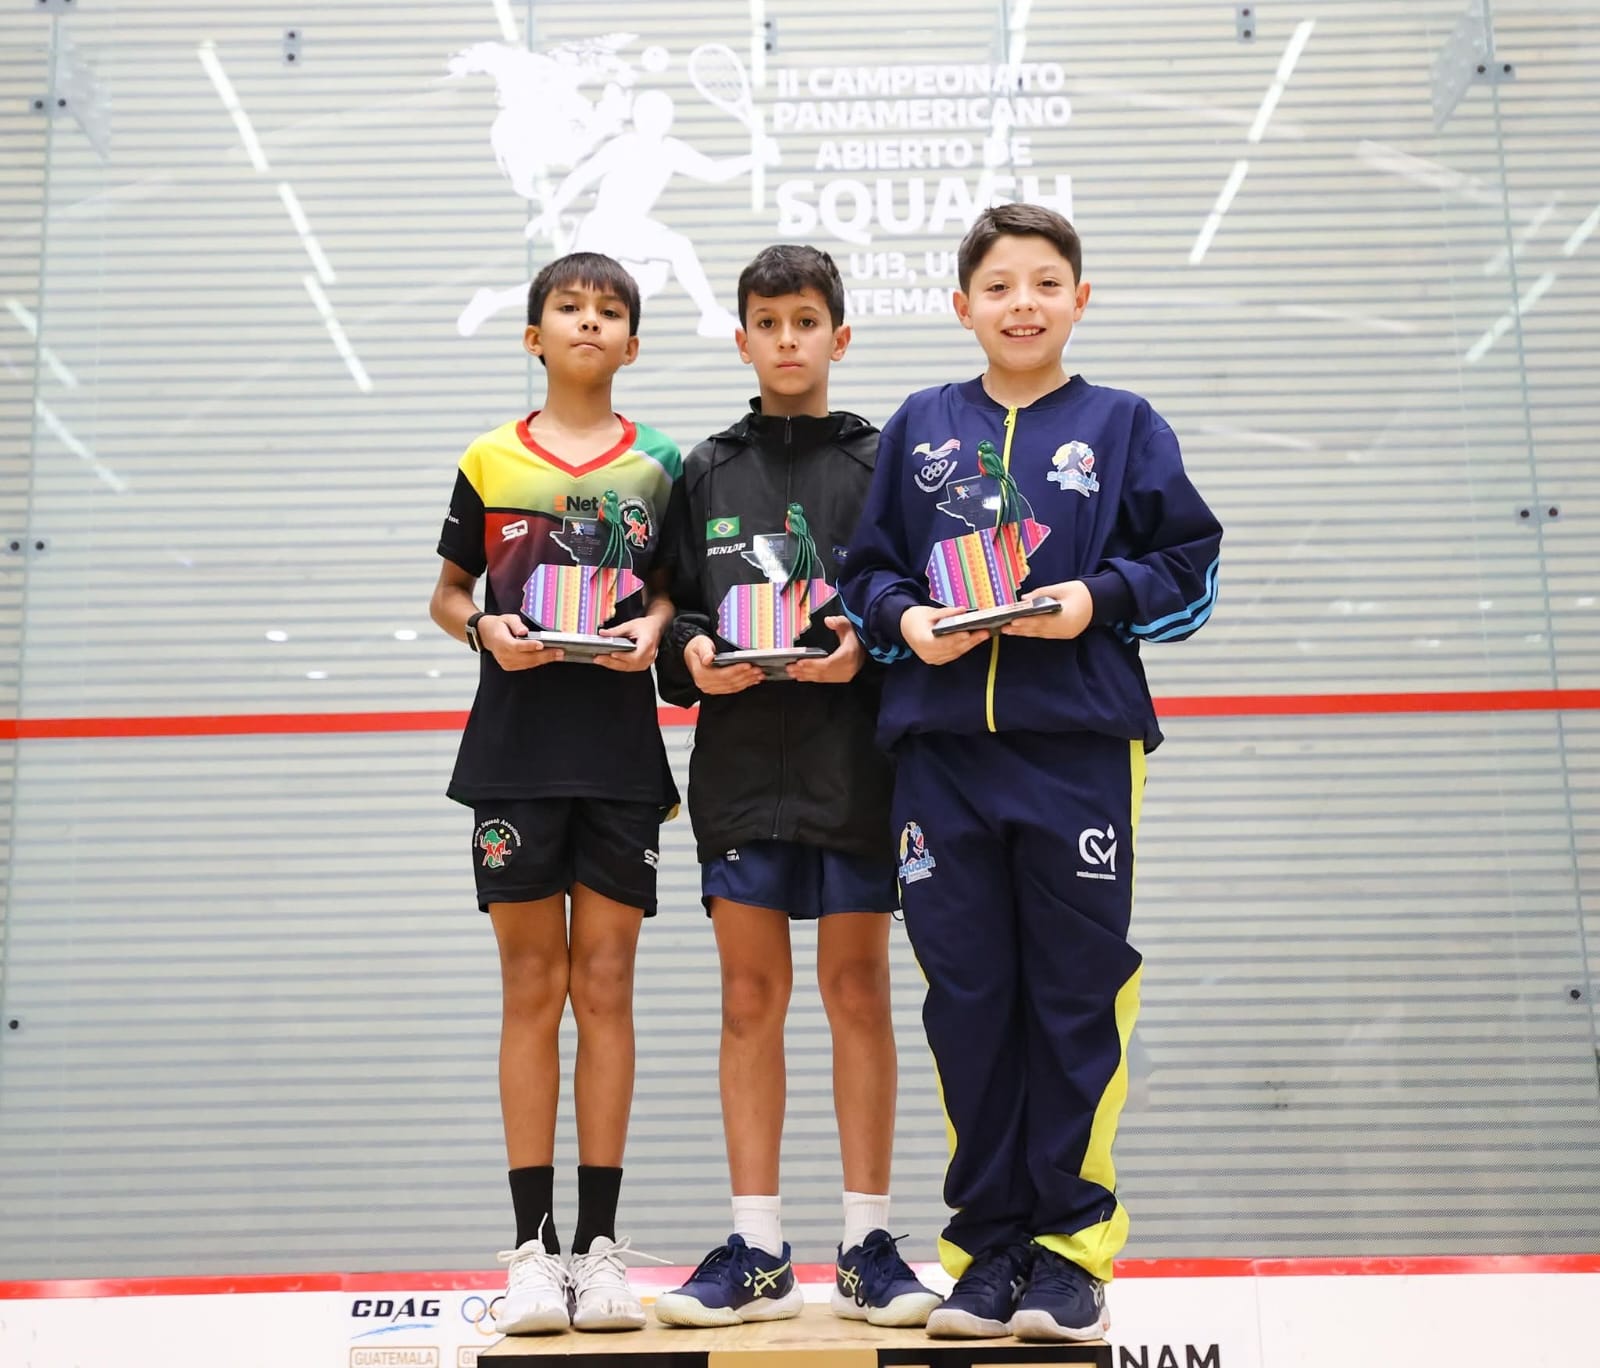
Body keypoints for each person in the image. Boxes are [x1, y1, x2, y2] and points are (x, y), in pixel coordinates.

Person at [838, 204, 1223, 1343]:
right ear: (963, 307)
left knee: (1074, 996)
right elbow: (865, 576)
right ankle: (985, 1250)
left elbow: (1190, 567)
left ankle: (1069, 1250)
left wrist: (1096, 600)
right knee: (967, 1004)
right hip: (942, 760)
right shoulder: (921, 426)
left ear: (1079, 300)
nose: (1023, 304)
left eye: (1046, 283)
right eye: (999, 286)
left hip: (1077, 754)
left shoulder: (1122, 424)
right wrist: (907, 622)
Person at [651, 245, 939, 1329]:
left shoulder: (883, 461)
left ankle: (867, 1246)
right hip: (739, 772)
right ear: (741, 340)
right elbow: (671, 607)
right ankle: (759, 1250)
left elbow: (910, 602)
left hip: (856, 768)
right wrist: (688, 651)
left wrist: (866, 646)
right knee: (748, 999)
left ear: (839, 336)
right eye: (767, 323)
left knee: (858, 992)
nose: (787, 340)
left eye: (805, 321)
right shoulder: (705, 470)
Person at [428, 251, 682, 1335]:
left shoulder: (661, 464)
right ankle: (532, 1254)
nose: (589, 322)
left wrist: (656, 630)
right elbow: (448, 594)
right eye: (569, 308)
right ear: (534, 336)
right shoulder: (489, 457)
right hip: (515, 754)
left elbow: (670, 595)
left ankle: (601, 1251)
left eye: (609, 310)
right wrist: (483, 628)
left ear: (632, 342)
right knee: (532, 985)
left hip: (619, 757)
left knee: (607, 987)